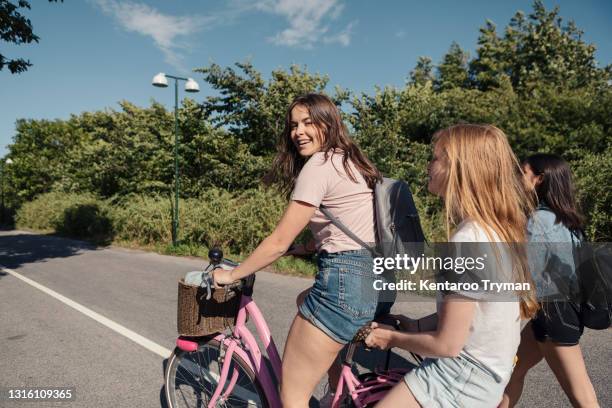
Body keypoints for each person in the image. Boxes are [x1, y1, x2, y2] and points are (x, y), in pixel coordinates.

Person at [213, 93, 391, 407]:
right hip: (374, 278)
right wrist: (308, 247)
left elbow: (277, 240)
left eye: (308, 122)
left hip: (344, 284)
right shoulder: (352, 160)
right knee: (302, 299)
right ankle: (336, 394)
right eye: (294, 125)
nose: (298, 132)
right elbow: (352, 223)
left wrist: (232, 274)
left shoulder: (320, 165)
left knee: (291, 396)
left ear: (328, 123)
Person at [365, 124, 538, 408]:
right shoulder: (496, 231)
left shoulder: (467, 239)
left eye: (436, 158)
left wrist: (391, 338)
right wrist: (416, 325)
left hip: (458, 378)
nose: (428, 166)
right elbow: (475, 312)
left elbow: (448, 344)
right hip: (483, 378)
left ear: (460, 169)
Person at [501, 153, 599, 407]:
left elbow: (525, 274)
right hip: (560, 312)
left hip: (554, 315)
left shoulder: (539, 220)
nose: (517, 178)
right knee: (511, 373)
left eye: (523, 172)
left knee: (582, 396)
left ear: (539, 180)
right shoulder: (565, 218)